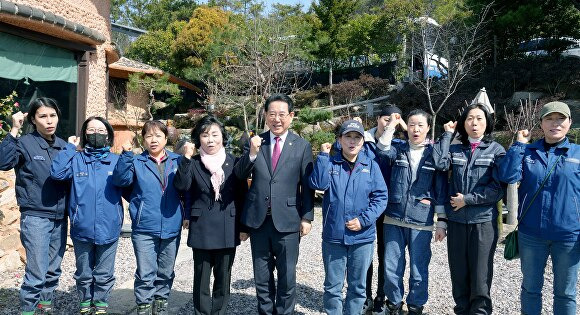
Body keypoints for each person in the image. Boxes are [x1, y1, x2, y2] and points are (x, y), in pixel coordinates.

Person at [234, 93, 314, 315]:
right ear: (265, 115)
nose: (276, 119)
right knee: (262, 276)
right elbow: (239, 175)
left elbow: (307, 185)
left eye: (281, 114)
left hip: (288, 220)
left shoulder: (302, 145)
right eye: (272, 114)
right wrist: (251, 153)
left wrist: (307, 216)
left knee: (287, 277)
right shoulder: (255, 141)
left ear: (291, 116)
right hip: (259, 220)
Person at [498, 101, 579, 315]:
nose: (555, 123)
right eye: (549, 119)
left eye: (560, 118)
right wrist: (518, 144)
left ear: (569, 122)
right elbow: (507, 176)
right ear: (541, 124)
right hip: (532, 234)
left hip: (569, 236)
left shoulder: (578, 154)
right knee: (531, 289)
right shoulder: (528, 152)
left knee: (566, 293)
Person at [432, 103, 505, 314]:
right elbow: (439, 163)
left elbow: (498, 188)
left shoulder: (496, 150)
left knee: (481, 277)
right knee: (459, 275)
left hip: (483, 222)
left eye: (479, 118)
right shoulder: (455, 150)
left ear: (487, 122)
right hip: (456, 222)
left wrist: (469, 199)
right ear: (463, 123)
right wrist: (446, 135)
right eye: (470, 118)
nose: (474, 123)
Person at [309, 120, 388, 315]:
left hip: (362, 237)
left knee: (357, 287)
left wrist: (363, 220)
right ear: (340, 140)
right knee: (332, 287)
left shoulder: (371, 165)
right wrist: (322, 157)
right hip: (334, 235)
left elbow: (381, 197)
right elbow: (317, 183)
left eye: (357, 137)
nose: (352, 141)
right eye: (348, 137)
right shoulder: (330, 162)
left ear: (362, 142)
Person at [0, 98, 68, 315]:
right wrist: (14, 130)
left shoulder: (64, 146)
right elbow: (3, 162)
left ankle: (45, 306)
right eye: (43, 116)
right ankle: (28, 309)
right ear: (33, 119)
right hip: (36, 216)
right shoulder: (24, 143)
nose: (49, 121)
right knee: (37, 270)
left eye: (53, 115)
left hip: (60, 216)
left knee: (53, 269)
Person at [375, 110, 447, 315]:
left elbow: (440, 190)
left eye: (420, 125)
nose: (415, 129)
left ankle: (415, 306)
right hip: (394, 218)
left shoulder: (434, 154)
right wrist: (391, 126)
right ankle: (394, 304)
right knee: (391, 268)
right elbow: (382, 149)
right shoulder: (398, 149)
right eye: (412, 124)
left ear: (427, 128)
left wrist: (441, 222)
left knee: (418, 270)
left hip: (421, 220)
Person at [174, 116, 246, 315]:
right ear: (199, 139)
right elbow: (182, 186)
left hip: (228, 225)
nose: (210, 140)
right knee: (201, 279)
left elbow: (242, 195)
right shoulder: (193, 162)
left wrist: (243, 227)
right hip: (202, 227)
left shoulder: (234, 162)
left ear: (223, 137)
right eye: (205, 135)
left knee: (223, 278)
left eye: (215, 134)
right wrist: (186, 159)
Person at [50, 117, 123, 315]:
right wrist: (69, 148)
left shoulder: (116, 161)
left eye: (100, 130)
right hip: (81, 226)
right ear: (84, 134)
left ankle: (100, 303)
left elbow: (129, 184)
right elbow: (57, 174)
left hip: (109, 226)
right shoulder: (76, 159)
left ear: (107, 134)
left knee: (104, 272)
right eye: (91, 130)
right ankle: (85, 301)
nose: (95, 133)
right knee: (83, 271)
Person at [112, 120, 186, 315]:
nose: (153, 140)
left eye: (158, 136)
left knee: (166, 270)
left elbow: (186, 189)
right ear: (143, 139)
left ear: (165, 138)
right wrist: (126, 154)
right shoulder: (136, 161)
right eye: (149, 136)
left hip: (172, 224)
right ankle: (144, 304)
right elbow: (121, 181)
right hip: (144, 226)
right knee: (146, 272)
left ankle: (161, 302)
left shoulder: (177, 160)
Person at [359, 106, 406, 315]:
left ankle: (381, 296)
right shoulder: (364, 139)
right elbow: (342, 147)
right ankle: (365, 296)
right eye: (386, 119)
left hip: (390, 206)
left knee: (386, 255)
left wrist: (404, 128)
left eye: (394, 120)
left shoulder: (400, 143)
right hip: (366, 204)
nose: (389, 123)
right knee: (365, 253)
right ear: (378, 119)